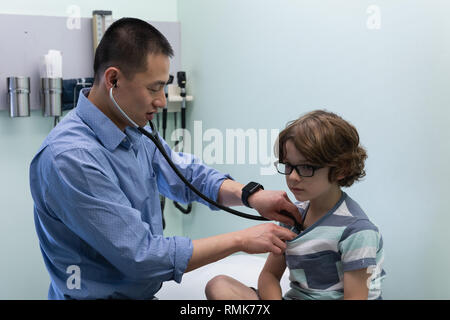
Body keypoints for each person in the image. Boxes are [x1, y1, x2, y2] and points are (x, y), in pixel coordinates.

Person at [29, 18, 299, 300]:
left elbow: (186, 176)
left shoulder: (132, 128)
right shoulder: (71, 159)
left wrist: (250, 196)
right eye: (153, 88)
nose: (161, 101)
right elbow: (143, 258)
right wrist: (241, 240)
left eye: (164, 87)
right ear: (113, 80)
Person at [205, 110, 386, 300]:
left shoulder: (357, 231)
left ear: (341, 170)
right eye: (288, 166)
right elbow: (269, 276)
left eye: (306, 167)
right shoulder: (292, 216)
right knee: (219, 286)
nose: (292, 177)